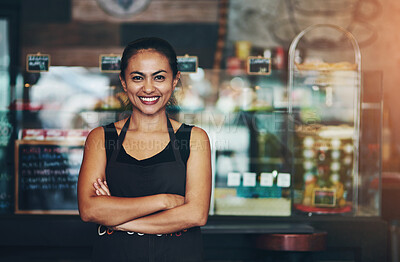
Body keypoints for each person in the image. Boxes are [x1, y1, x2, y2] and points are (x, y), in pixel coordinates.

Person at [77, 37, 212, 262]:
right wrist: (164, 201)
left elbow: (195, 215)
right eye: (137, 77)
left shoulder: (194, 138)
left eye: (159, 77)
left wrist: (117, 220)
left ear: (175, 80)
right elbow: (89, 210)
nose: (148, 88)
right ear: (123, 82)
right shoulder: (101, 138)